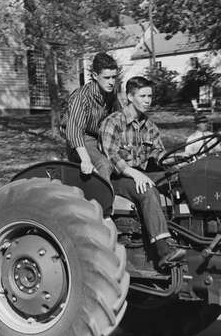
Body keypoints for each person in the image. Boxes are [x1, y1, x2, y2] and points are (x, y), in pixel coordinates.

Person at [100, 76, 186, 271]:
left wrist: (179, 160)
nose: (148, 100)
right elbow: (111, 157)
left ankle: (187, 237)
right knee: (147, 189)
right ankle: (164, 250)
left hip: (140, 173)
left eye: (150, 96)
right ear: (130, 97)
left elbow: (159, 154)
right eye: (143, 96)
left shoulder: (149, 126)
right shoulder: (113, 122)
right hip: (117, 177)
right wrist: (135, 174)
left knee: (179, 181)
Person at [63, 52, 120, 180]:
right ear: (95, 75)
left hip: (102, 137)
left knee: (122, 160)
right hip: (81, 140)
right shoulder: (81, 97)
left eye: (114, 77)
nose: (111, 82)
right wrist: (85, 159)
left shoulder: (111, 93)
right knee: (104, 165)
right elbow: (74, 131)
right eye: (107, 77)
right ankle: (102, 193)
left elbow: (118, 117)